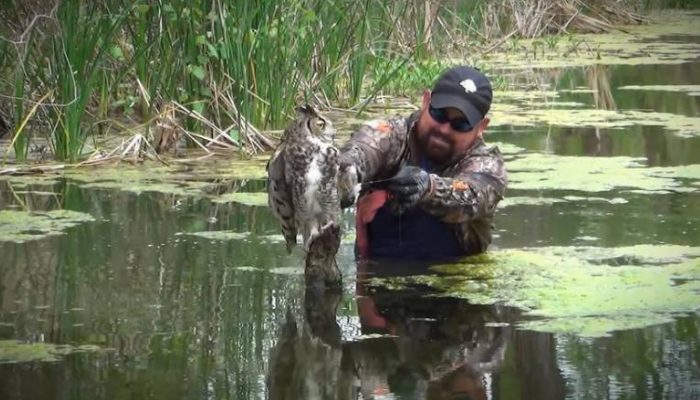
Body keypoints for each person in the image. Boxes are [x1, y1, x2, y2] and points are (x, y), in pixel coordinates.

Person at [338, 65, 507, 261]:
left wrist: (427, 187)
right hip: (378, 275)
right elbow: (362, 149)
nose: (444, 129)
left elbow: (472, 195)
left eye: (461, 124)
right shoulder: (390, 135)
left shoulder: (488, 165)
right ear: (426, 101)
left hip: (455, 282)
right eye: (439, 114)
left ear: (481, 127)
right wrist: (345, 173)